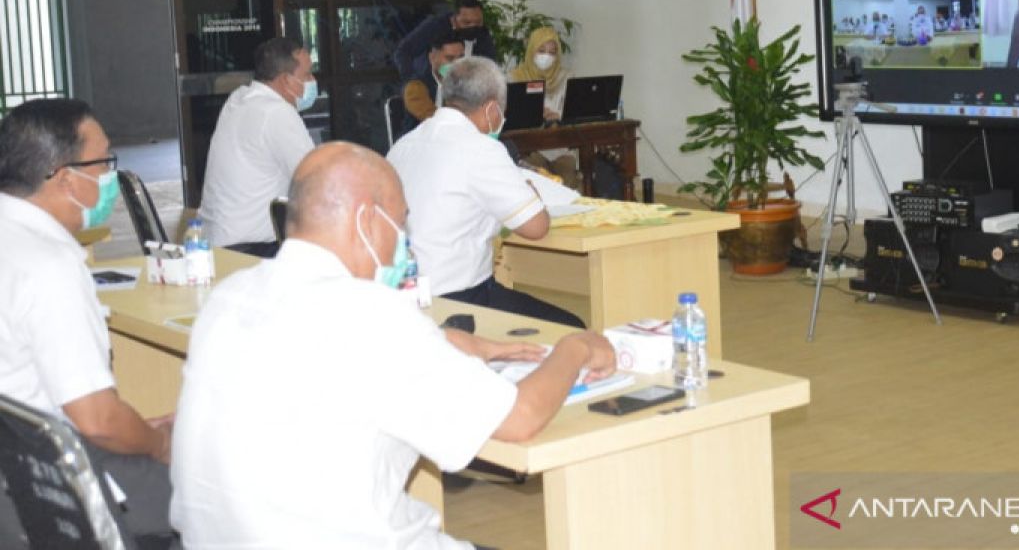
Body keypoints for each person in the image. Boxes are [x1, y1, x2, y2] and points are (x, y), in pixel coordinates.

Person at [170, 142, 615, 548]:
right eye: (401, 222)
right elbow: (520, 419)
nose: (405, 241)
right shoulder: (372, 314)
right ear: (366, 220)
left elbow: (323, 362)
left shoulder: (230, 296)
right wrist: (574, 348)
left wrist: (449, 344)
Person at [0, 99, 174, 543]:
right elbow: (96, 420)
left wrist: (131, 426)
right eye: (102, 164)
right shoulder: (48, 264)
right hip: (63, 486)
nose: (108, 178)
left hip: (19, 471)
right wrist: (157, 445)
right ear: (63, 179)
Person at [388, 56, 586, 327]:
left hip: (403, 297)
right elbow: (536, 227)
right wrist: (532, 194)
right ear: (492, 109)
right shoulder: (481, 149)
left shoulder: (404, 144)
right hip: (457, 299)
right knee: (569, 326)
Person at [199, 37, 317, 257]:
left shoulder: (240, 98)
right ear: (285, 81)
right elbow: (315, 178)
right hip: (252, 250)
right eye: (307, 74)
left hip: (217, 243)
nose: (313, 80)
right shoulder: (276, 113)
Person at [509, 27, 582, 190]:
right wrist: (534, 115)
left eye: (552, 52)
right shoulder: (515, 77)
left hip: (560, 144)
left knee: (568, 173)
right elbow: (512, 115)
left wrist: (559, 117)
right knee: (535, 176)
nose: (546, 56)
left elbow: (571, 110)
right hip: (529, 147)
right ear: (531, 51)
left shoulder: (567, 77)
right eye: (541, 50)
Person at [394, 0, 495, 80]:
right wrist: (413, 81)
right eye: (466, 22)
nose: (472, 26)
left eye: (478, 22)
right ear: (454, 19)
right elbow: (403, 51)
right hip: (430, 88)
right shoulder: (435, 26)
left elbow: (489, 67)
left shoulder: (483, 34)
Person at [398, 29, 466, 138]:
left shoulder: (465, 84)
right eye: (450, 58)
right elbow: (435, 120)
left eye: (461, 58)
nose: (456, 64)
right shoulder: (415, 87)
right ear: (432, 58)